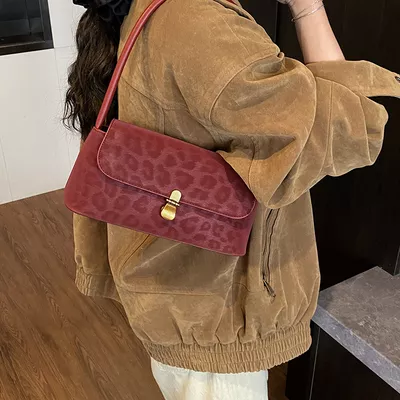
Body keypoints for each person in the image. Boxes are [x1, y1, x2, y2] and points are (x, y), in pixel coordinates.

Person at [65, 0, 400, 398]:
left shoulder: (163, 10)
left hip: (179, 290)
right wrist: (308, 6)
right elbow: (351, 128)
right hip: (214, 316)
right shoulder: (202, 24)